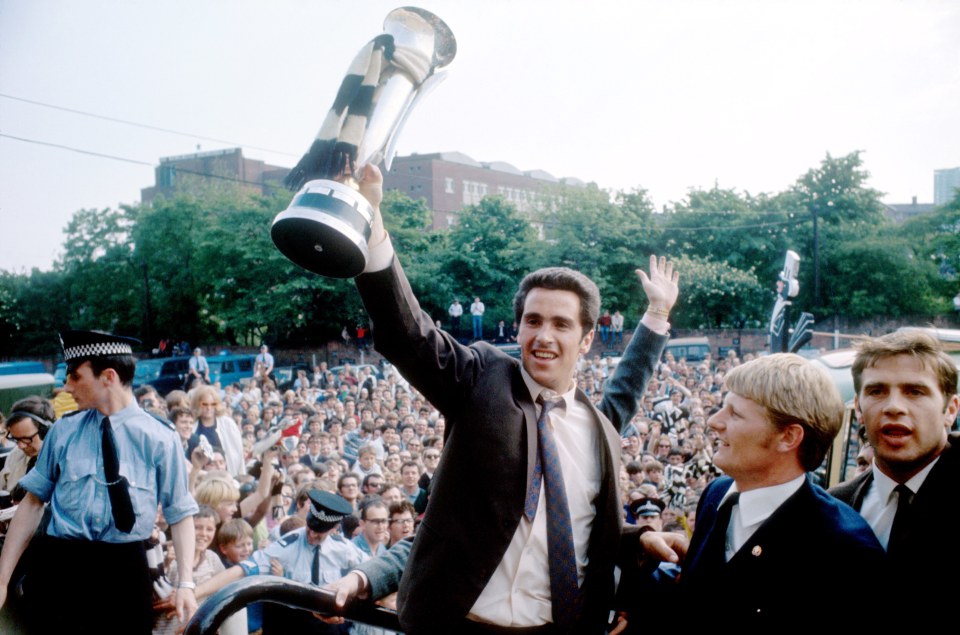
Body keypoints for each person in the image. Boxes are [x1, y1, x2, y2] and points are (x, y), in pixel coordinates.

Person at [328, 164, 679, 634]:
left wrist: (656, 316)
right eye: (533, 321)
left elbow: (625, 392)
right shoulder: (482, 379)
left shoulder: (597, 427)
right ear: (517, 328)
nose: (543, 337)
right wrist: (372, 224)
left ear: (589, 339)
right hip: (456, 625)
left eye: (561, 324)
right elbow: (409, 334)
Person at [633, 354, 884, 629]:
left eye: (735, 414)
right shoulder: (716, 495)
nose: (714, 421)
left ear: (788, 437)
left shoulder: (846, 548)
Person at [0, 330, 199, 635]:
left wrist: (185, 582)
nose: (66, 387)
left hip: (124, 573)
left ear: (108, 376)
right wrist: (1, 580)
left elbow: (181, 513)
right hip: (62, 569)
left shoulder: (160, 437)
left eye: (75, 376)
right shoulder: (63, 432)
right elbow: (32, 503)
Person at [829, 330, 959, 608]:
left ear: (951, 410)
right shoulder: (833, 508)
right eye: (877, 391)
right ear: (859, 409)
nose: (894, 407)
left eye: (915, 391)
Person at [195, 490, 367, 634]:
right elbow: (244, 570)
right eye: (310, 528)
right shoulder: (288, 543)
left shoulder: (345, 549)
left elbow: (372, 574)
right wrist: (195, 592)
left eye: (319, 533)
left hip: (326, 625)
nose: (312, 535)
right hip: (290, 623)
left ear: (334, 529)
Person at [0, 396, 55, 492]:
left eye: (26, 439)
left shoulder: (61, 463)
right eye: (16, 439)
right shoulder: (15, 455)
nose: (21, 446)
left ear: (46, 432)